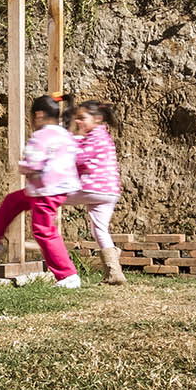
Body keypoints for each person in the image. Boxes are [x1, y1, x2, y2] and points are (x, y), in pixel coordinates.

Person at [0, 94, 82, 287]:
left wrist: (23, 166)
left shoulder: (42, 135)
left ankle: (67, 275)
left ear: (39, 115)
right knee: (13, 201)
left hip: (45, 190)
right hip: (53, 189)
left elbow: (34, 163)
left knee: (43, 230)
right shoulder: (64, 133)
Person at [70, 99, 126, 284]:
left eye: (82, 118)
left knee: (52, 197)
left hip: (93, 188)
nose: (78, 122)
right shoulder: (103, 136)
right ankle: (114, 273)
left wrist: (70, 140)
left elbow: (80, 158)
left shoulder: (96, 137)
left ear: (97, 119)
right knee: (100, 230)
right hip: (109, 193)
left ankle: (46, 237)